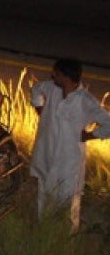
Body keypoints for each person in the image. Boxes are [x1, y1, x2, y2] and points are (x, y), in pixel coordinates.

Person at [30, 59, 110, 233]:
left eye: (57, 73)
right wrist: (40, 110)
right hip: (47, 153)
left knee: (68, 200)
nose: (53, 75)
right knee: (44, 195)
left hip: (69, 160)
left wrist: (89, 135)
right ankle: (44, 233)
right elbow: (36, 90)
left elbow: (108, 123)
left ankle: (68, 239)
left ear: (66, 78)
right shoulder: (51, 88)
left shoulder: (85, 101)